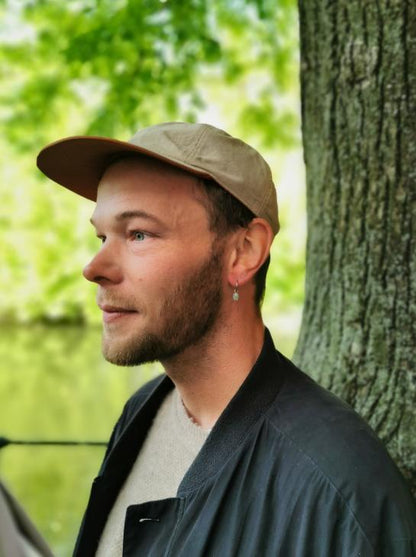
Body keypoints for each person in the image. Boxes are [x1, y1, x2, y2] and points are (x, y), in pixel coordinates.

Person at [37, 122, 416, 557]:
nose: (94, 267)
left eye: (139, 234)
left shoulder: (339, 487)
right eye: (102, 237)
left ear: (244, 252)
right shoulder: (143, 411)